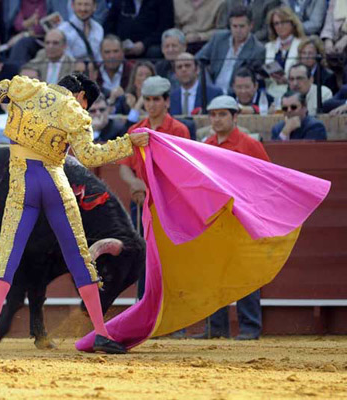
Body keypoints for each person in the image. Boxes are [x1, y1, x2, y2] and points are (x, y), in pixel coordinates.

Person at [0, 72, 150, 355]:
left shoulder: (23, 88)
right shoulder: (74, 111)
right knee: (78, 254)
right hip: (56, 183)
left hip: (23, 182)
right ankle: (101, 333)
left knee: (7, 253)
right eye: (86, 104)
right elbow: (90, 157)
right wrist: (128, 143)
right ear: (81, 96)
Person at [190, 95, 269, 340]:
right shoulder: (207, 144)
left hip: (243, 216)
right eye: (213, 115)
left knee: (245, 271)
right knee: (214, 272)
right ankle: (216, 328)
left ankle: (249, 327)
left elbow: (266, 178)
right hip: (215, 217)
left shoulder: (250, 144)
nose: (217, 119)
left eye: (223, 114)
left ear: (235, 117)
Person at [119, 77, 191, 297]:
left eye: (156, 100)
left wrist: (153, 190)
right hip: (142, 203)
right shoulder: (135, 129)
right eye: (148, 100)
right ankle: (145, 309)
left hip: (169, 204)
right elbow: (124, 168)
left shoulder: (179, 130)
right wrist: (134, 183)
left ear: (167, 101)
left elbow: (181, 172)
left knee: (172, 259)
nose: (151, 105)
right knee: (143, 258)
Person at [196, 5, 265, 94]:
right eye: (234, 26)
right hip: (210, 90)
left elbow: (248, 80)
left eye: (242, 26)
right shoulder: (218, 38)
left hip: (235, 94)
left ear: (251, 26)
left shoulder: (258, 50)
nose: (238, 30)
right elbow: (198, 59)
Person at [104, 0, 174, 59]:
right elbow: (109, 26)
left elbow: (165, 29)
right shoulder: (120, 2)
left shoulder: (163, 2)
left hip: (150, 45)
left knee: (154, 51)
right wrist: (118, 43)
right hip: (122, 46)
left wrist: (144, 44)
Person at [264, 6, 307, 100]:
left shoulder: (302, 45)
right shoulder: (268, 47)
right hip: (271, 91)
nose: (280, 26)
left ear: (292, 23)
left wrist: (287, 80)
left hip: (294, 92)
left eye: (283, 22)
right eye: (276, 23)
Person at [217, 0, 282, 42]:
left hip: (258, 42)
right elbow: (222, 26)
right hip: (232, 41)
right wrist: (234, 38)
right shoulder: (230, 2)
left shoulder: (271, 2)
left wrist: (247, 39)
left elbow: (268, 29)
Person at [96, 35, 133, 99]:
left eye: (115, 51)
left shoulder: (132, 70)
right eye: (107, 52)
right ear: (101, 54)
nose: (112, 56)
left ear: (122, 52)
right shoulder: (94, 71)